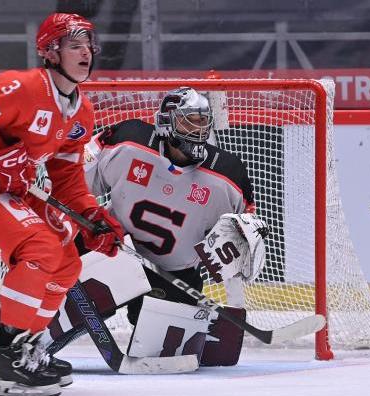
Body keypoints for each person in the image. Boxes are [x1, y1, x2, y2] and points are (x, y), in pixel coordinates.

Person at [0, 13, 123, 396]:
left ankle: (31, 348)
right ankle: (10, 358)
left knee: (67, 260)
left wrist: (91, 216)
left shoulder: (81, 115)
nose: (86, 52)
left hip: (7, 189)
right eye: (74, 45)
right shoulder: (21, 86)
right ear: (50, 52)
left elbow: (68, 178)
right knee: (38, 246)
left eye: (88, 44)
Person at [82, 87, 263, 364]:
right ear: (166, 122)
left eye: (203, 121)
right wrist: (92, 218)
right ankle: (25, 336)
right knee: (73, 307)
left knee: (165, 356)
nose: (198, 129)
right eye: (189, 120)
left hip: (173, 274)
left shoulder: (228, 175)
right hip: (113, 253)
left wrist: (238, 243)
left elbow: (247, 235)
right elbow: (76, 183)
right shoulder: (129, 142)